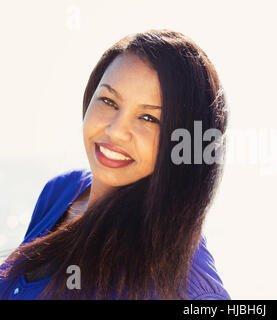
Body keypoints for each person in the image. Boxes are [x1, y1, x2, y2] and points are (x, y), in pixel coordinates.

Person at [0, 29, 230, 300]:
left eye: (149, 118)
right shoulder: (62, 192)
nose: (116, 131)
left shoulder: (183, 272)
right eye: (109, 101)